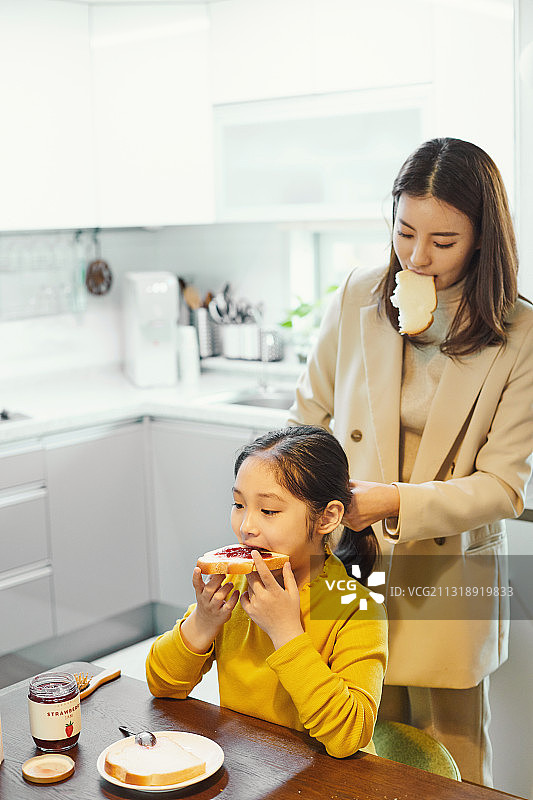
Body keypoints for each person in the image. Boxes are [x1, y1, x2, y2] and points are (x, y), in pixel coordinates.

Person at [288, 137, 533, 785]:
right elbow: (305, 419)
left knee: (452, 768)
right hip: (351, 566)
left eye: (443, 242)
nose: (416, 257)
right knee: (355, 752)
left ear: (483, 237)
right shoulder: (358, 296)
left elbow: (504, 488)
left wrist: (393, 500)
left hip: (448, 579)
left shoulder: (519, 334)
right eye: (403, 232)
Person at [146, 426, 387, 758]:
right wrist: (202, 623)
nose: (246, 526)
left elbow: (349, 735)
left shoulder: (357, 608)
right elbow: (162, 685)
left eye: (269, 511)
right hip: (249, 767)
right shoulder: (237, 584)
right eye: (238, 504)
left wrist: (285, 631)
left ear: (327, 517)